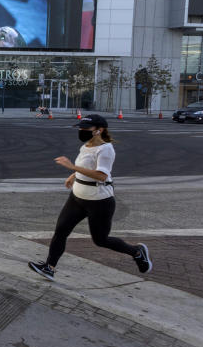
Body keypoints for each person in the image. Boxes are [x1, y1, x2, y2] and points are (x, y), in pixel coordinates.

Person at [29, 114, 152, 281]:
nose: (81, 130)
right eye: (80, 127)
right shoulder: (86, 145)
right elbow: (86, 166)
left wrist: (72, 167)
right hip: (77, 197)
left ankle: (137, 252)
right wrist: (74, 174)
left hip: (99, 201)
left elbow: (101, 175)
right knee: (60, 231)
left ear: (99, 130)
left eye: (86, 128)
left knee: (101, 240)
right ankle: (49, 267)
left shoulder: (105, 149)